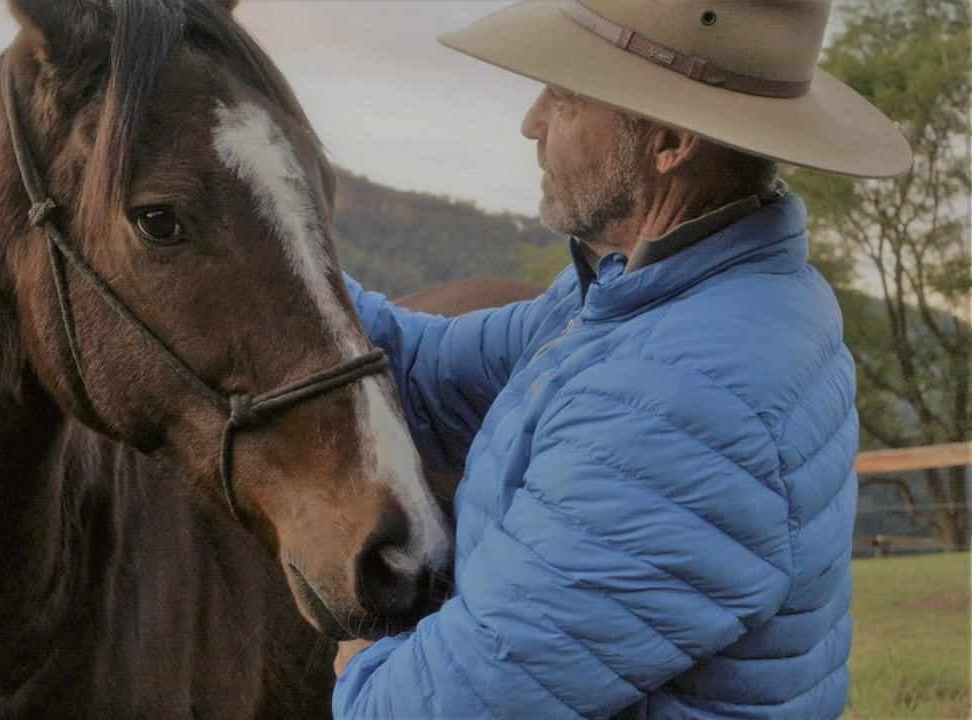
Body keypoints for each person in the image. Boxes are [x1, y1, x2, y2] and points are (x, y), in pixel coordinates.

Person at [331, 1, 912, 718]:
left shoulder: (684, 396)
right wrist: (263, 246)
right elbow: (429, 370)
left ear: (668, 141)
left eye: (566, 97)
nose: (532, 121)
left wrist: (362, 664)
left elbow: (446, 705)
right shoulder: (648, 298)